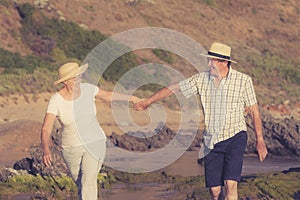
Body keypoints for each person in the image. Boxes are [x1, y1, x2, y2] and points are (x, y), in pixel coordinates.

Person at [134, 42, 268, 200]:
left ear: (224, 62)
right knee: (215, 191)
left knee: (230, 184)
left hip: (236, 136)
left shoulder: (243, 81)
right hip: (211, 140)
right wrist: (148, 101)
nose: (209, 63)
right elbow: (174, 88)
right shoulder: (201, 79)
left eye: (212, 60)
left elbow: (254, 111)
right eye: (209, 60)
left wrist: (260, 140)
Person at [41, 62, 139, 200]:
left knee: (88, 183)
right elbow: (46, 128)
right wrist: (46, 149)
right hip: (71, 149)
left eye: (79, 77)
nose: (78, 80)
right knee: (82, 185)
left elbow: (108, 95)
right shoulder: (56, 100)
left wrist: (131, 98)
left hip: (95, 142)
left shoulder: (88, 89)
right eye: (74, 78)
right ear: (65, 82)